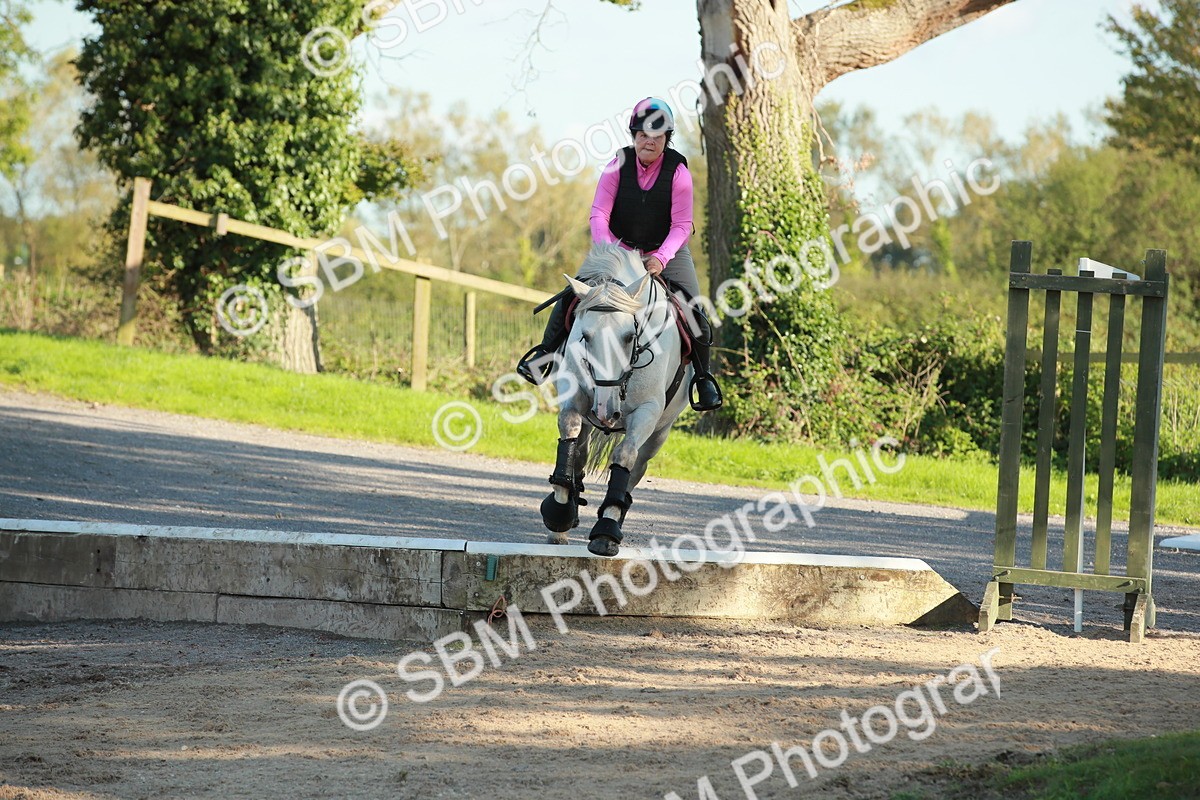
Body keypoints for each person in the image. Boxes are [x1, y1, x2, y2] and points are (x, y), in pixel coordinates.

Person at [517, 97, 723, 412]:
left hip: (665, 251)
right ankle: (545, 356)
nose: (649, 142)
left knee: (696, 311)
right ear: (634, 136)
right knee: (571, 295)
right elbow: (599, 214)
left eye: (657, 136)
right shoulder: (617, 165)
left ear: (667, 139)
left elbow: (682, 225)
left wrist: (661, 258)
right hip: (617, 249)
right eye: (643, 135)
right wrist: (610, 250)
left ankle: (703, 378)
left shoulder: (679, 172)